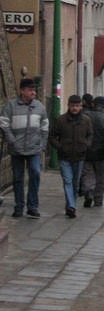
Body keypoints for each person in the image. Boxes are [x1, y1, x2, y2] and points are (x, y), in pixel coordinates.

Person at [0, 78, 49, 219]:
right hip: (17, 149)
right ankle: (19, 206)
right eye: (30, 90)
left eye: (34, 90)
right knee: (18, 178)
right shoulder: (11, 106)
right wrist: (12, 140)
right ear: (22, 91)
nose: (33, 92)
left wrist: (42, 144)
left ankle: (32, 207)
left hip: (34, 148)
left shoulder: (39, 107)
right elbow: (4, 124)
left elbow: (45, 127)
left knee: (35, 173)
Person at [49, 95, 93, 218]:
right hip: (65, 156)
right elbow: (52, 136)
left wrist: (86, 145)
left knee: (75, 183)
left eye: (77, 106)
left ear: (81, 106)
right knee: (67, 180)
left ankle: (70, 205)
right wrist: (60, 147)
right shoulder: (61, 120)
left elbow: (90, 135)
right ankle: (72, 206)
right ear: (68, 105)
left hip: (79, 156)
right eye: (73, 106)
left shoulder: (86, 120)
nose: (75, 108)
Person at [81, 96, 104, 207]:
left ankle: (88, 193)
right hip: (101, 152)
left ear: (93, 104)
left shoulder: (84, 117)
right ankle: (98, 199)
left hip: (87, 151)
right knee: (100, 176)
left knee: (88, 173)